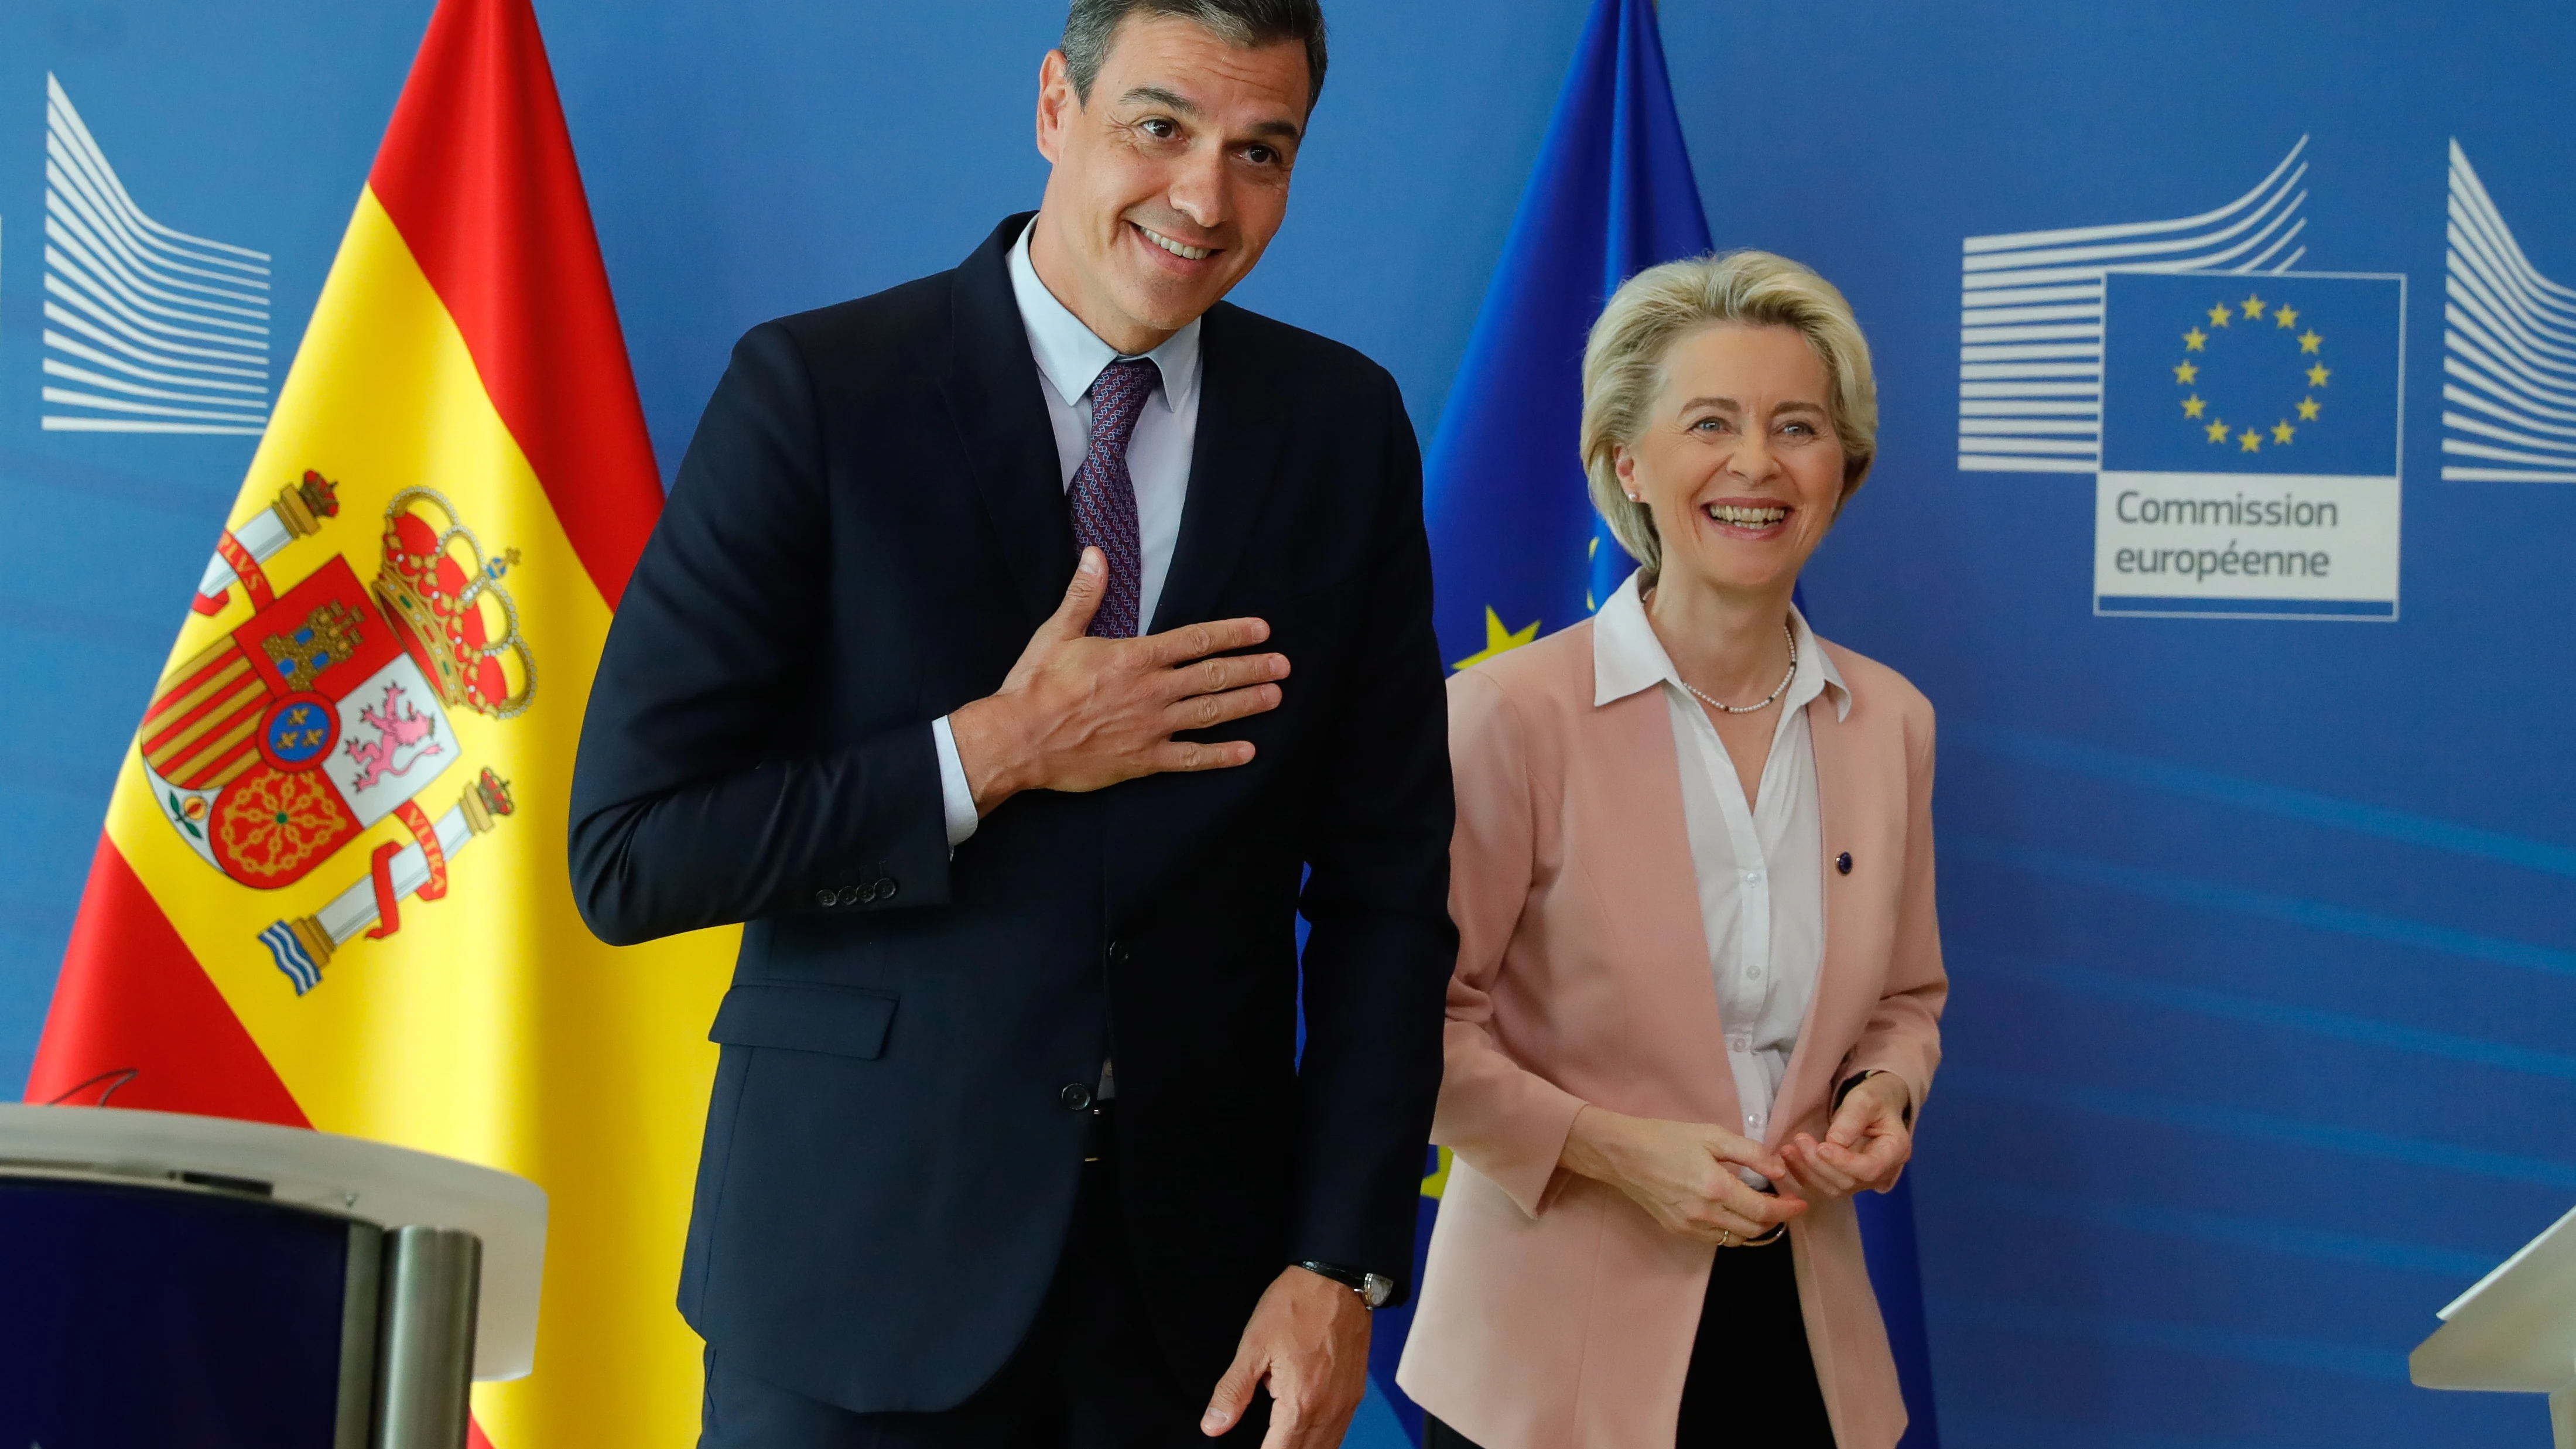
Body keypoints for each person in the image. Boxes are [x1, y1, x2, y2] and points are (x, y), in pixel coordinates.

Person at [567, 3, 1456, 1444]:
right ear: (1057, 106)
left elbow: (1390, 895)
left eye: (1261, 152)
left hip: (1198, 1312)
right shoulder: (818, 394)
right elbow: (633, 850)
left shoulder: (1340, 429)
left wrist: (1337, 1255)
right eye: (1158, 128)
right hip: (857, 1282)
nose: (1204, 199)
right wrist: (991, 754)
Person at [1394, 252, 1948, 1449]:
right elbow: (1407, 1026)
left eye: (1797, 426)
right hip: (1548, 1362)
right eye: (1712, 423)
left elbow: (1906, 999)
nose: (1757, 464)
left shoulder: (1894, 722)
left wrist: (1886, 1092)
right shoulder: (1506, 717)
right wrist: (1610, 1149)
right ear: (1627, 463)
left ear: (1841, 470)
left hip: (1806, 1341)